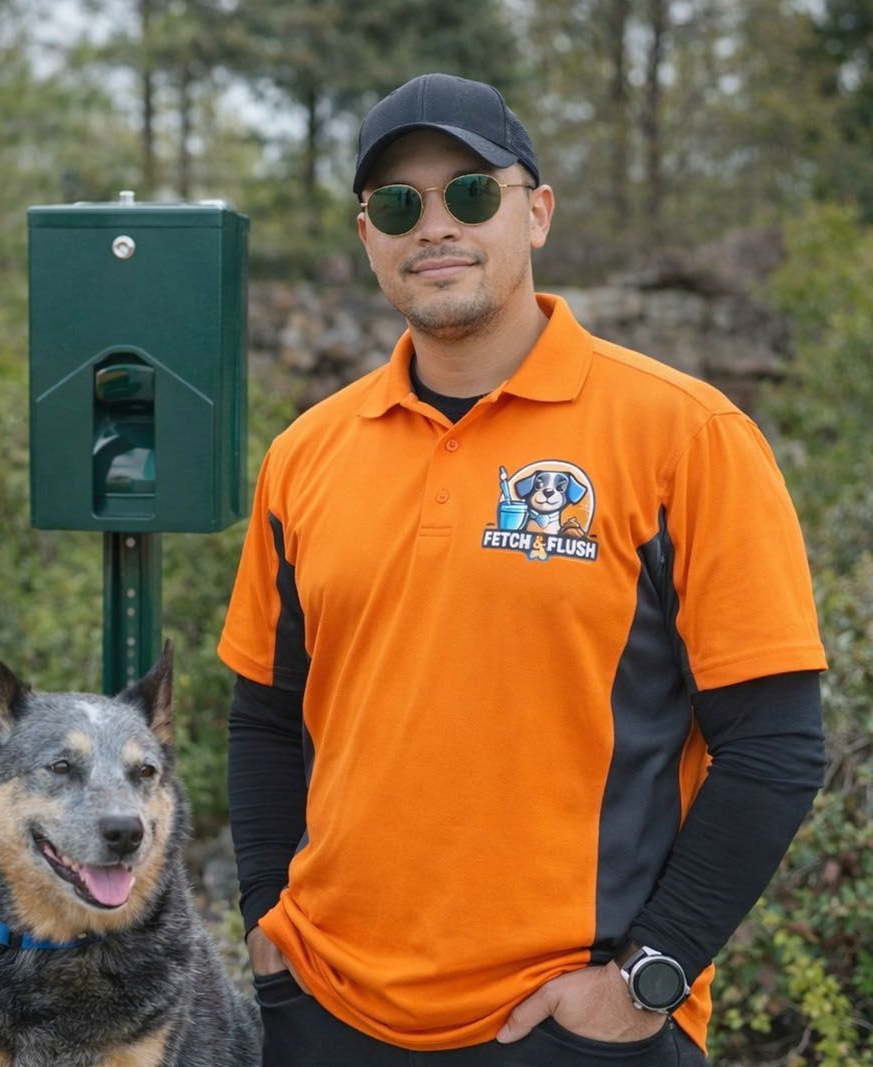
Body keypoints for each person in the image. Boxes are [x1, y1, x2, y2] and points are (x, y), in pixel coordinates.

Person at [221, 72, 826, 1066]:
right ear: (366, 233)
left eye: (469, 194)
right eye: (397, 205)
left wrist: (649, 975)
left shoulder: (684, 435)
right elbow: (263, 716)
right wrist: (267, 929)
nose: (434, 228)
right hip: (324, 1014)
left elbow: (774, 741)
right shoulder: (305, 454)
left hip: (571, 1026)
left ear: (535, 212)